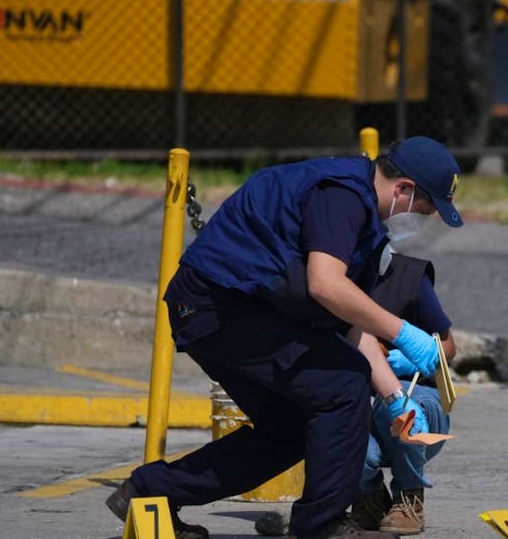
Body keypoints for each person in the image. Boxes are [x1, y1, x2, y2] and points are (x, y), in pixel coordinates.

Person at [104, 135, 464, 539]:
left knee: (290, 430)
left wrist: (394, 398)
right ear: (404, 189)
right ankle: (322, 526)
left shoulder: (363, 219)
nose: (423, 220)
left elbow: (346, 321)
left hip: (228, 309)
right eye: (425, 210)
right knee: (344, 384)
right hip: (218, 306)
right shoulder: (342, 195)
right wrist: (403, 332)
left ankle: (150, 491)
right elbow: (325, 285)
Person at [351, 253, 455, 535]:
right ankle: (368, 496)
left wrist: (407, 360)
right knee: (333, 417)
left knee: (405, 406)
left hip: (415, 401)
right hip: (358, 400)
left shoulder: (409, 277)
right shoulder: (325, 278)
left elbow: (448, 347)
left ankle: (410, 496)